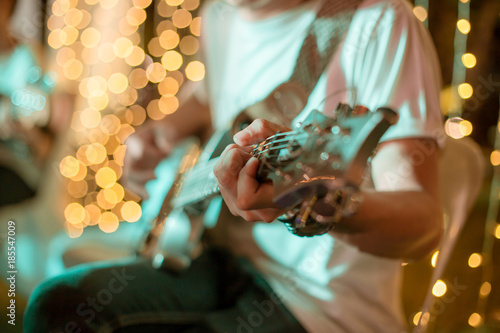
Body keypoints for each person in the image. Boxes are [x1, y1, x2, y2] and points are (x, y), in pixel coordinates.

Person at [24, 0, 445, 332]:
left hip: (317, 306)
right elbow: (208, 96)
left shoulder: (380, 22)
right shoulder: (220, 14)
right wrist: (161, 132)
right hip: (210, 257)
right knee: (56, 306)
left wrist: (324, 205)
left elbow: (422, 224)